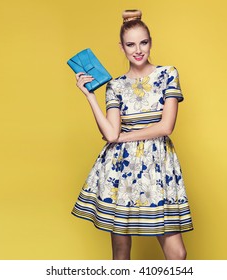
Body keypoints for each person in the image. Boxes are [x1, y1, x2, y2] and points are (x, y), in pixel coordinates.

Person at [71, 9, 193, 260]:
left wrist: (124, 138)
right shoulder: (115, 85)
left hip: (158, 168)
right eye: (130, 44)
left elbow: (166, 127)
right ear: (122, 47)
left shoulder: (168, 74)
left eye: (143, 42)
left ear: (151, 42)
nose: (138, 50)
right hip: (120, 170)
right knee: (121, 251)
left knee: (177, 254)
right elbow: (110, 132)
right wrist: (90, 96)